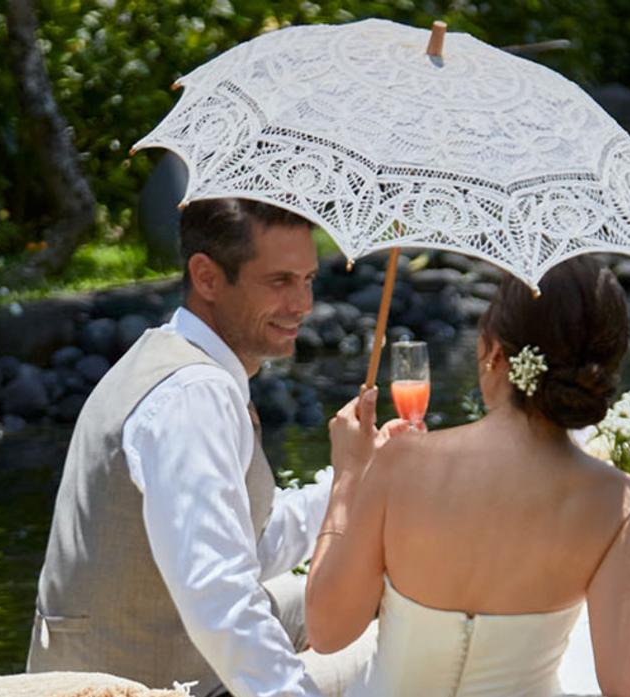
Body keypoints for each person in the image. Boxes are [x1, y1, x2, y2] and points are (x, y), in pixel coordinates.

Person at [306, 256, 630, 696]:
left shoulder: (401, 461)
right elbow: (627, 680)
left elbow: (326, 632)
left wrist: (349, 476)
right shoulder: (623, 503)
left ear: (494, 352)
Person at [27, 197, 372, 696]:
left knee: (325, 600)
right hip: (138, 689)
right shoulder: (195, 396)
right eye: (279, 282)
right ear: (207, 277)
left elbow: (249, 546)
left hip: (122, 655)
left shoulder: (174, 359)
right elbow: (221, 595)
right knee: (390, 636)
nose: (302, 305)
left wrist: (351, 479)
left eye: (308, 279)